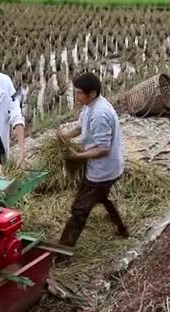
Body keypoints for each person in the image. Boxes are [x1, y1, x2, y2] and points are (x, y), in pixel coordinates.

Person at [57, 72, 128, 247]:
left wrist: (77, 156)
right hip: (103, 166)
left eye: (79, 92)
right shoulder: (89, 106)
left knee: (79, 210)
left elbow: (103, 149)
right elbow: (80, 127)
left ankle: (62, 252)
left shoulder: (100, 114)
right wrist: (65, 137)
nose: (76, 96)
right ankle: (122, 229)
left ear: (92, 93)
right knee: (103, 197)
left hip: (103, 170)